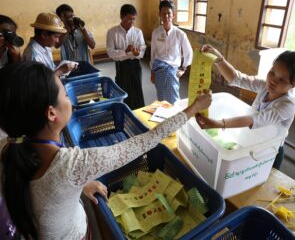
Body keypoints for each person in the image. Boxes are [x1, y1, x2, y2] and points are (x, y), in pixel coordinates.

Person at [0, 61, 211, 239]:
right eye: (65, 94)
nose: (69, 99)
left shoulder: (9, 147)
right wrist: (192, 108)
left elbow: (47, 192)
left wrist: (79, 184)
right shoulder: (73, 165)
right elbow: (148, 140)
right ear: (51, 113)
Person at [196, 44, 295, 169]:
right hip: (253, 141)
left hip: (269, 151)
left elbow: (256, 119)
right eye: (272, 72)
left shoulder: (287, 105)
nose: (273, 81)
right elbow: (236, 78)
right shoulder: (264, 86)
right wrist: (219, 59)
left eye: (282, 80)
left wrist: (220, 124)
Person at [150, 0, 193, 104]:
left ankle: (175, 118)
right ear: (159, 14)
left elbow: (189, 52)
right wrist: (152, 71)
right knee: (161, 97)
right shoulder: (156, 33)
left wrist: (183, 68)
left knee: (173, 99)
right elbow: (153, 53)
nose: (166, 16)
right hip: (159, 70)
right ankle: (164, 118)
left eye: (169, 13)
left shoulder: (180, 34)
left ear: (173, 15)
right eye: (163, 13)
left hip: (172, 71)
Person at [106, 4, 146, 110]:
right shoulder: (112, 32)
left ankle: (138, 114)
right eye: (129, 19)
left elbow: (142, 48)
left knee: (137, 90)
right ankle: (124, 112)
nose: (132, 22)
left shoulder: (138, 32)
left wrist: (138, 54)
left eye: (134, 19)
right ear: (121, 17)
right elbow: (110, 52)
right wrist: (125, 51)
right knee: (122, 90)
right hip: (121, 66)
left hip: (135, 65)